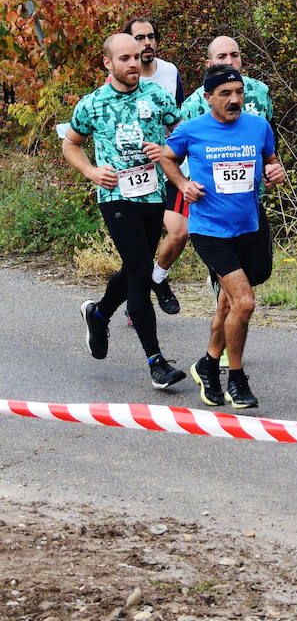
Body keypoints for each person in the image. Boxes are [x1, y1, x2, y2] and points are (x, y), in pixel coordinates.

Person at [64, 32, 186, 389]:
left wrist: (165, 150)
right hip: (116, 198)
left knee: (136, 269)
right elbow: (71, 143)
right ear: (108, 63)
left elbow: (180, 133)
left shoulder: (157, 96)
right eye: (125, 58)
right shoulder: (92, 104)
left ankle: (99, 314)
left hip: (152, 194)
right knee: (140, 272)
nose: (134, 63)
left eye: (137, 57)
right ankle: (156, 362)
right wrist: (90, 171)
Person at [162, 65, 285, 408]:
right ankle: (238, 379)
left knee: (228, 302)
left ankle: (208, 364)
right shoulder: (192, 130)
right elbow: (168, 159)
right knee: (244, 302)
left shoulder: (258, 126)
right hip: (210, 231)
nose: (234, 100)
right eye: (225, 94)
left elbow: (272, 161)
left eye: (239, 93)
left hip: (250, 225)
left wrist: (276, 171)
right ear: (208, 98)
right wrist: (183, 185)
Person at [122, 16, 186, 317]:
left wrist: (173, 150)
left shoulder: (170, 72)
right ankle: (135, 300)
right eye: (139, 38)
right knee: (140, 248)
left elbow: (179, 119)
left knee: (179, 232)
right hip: (136, 174)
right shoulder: (119, 79)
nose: (146, 43)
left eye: (150, 37)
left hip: (169, 169)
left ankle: (157, 278)